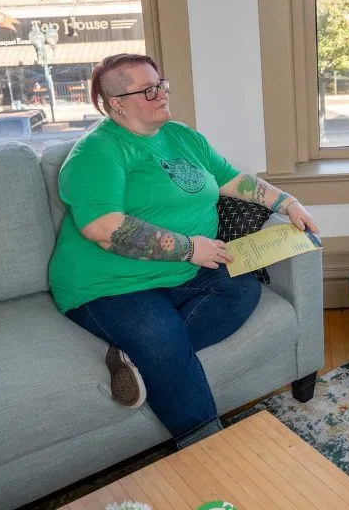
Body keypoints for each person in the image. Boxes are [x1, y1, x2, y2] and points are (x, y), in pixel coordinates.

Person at [48, 53, 319, 449]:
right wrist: (190, 249)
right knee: (161, 336)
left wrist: (286, 202)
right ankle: (207, 449)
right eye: (148, 89)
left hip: (181, 273)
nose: (161, 93)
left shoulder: (182, 137)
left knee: (242, 290)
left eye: (161, 83)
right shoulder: (97, 152)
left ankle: (135, 363)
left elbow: (230, 180)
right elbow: (103, 229)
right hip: (108, 283)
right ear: (116, 104)